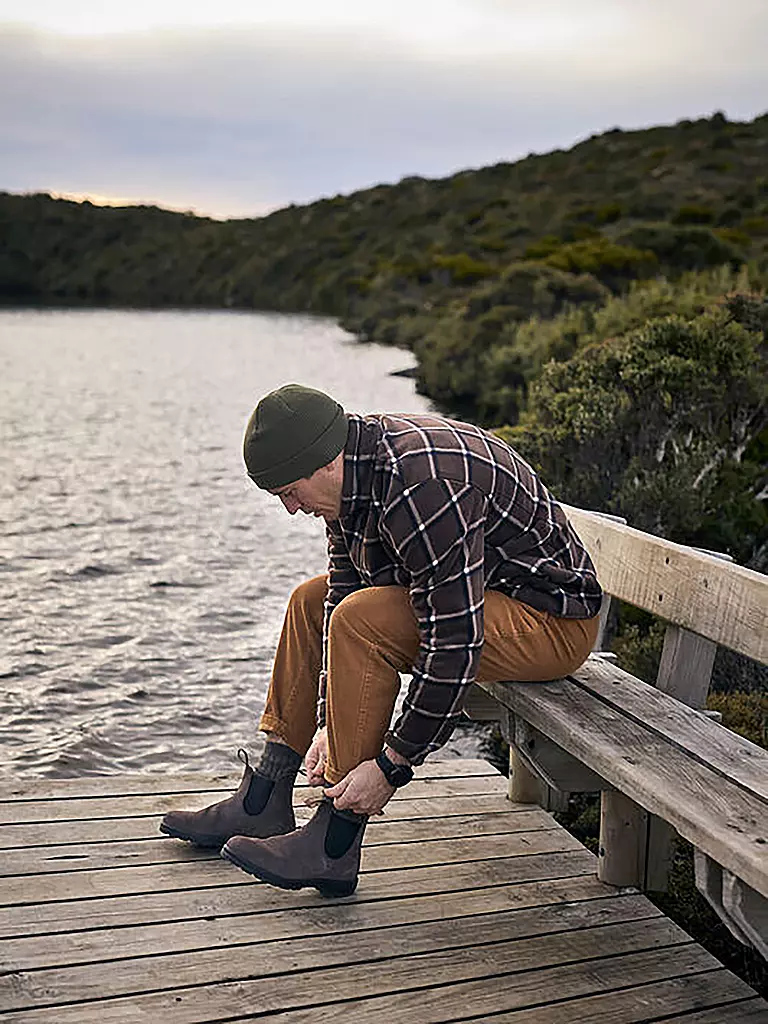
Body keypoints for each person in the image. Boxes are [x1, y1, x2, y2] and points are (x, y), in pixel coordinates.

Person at [161, 384, 602, 897]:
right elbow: (341, 592)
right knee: (311, 600)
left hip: (550, 623)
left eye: (289, 492)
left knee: (360, 621)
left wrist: (391, 767)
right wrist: (329, 722)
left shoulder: (425, 486)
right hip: (479, 598)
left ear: (324, 463)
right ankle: (267, 797)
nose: (290, 509)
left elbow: (455, 644)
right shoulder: (352, 476)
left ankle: (334, 842)